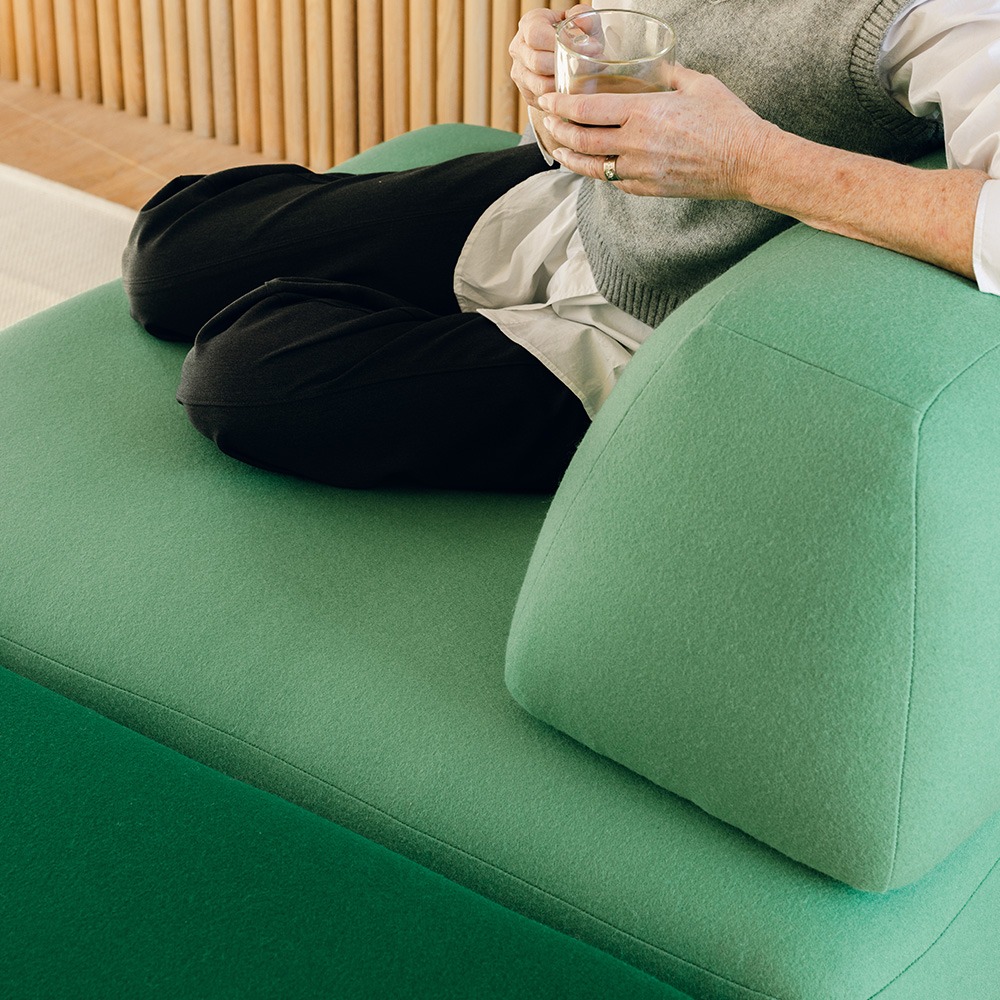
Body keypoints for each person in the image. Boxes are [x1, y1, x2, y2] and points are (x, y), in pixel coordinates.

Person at [122, 0, 999, 493]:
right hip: (572, 203)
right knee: (170, 257)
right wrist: (544, 62)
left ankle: (422, 324)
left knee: (240, 378)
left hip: (653, 336)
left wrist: (751, 163)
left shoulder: (950, 19)